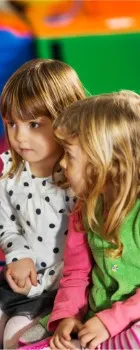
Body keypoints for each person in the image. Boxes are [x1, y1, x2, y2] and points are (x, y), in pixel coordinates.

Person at [0, 59, 86, 349]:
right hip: (22, 278)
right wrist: (18, 255)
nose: (19, 136)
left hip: (61, 286)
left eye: (34, 124)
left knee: (16, 334)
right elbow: (5, 226)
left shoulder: (78, 176)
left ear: (65, 120)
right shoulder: (12, 172)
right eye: (12, 124)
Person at [47, 91, 140, 350]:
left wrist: (112, 321)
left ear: (108, 163)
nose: (62, 162)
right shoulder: (84, 209)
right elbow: (76, 273)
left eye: (70, 154)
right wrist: (68, 315)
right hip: (95, 322)